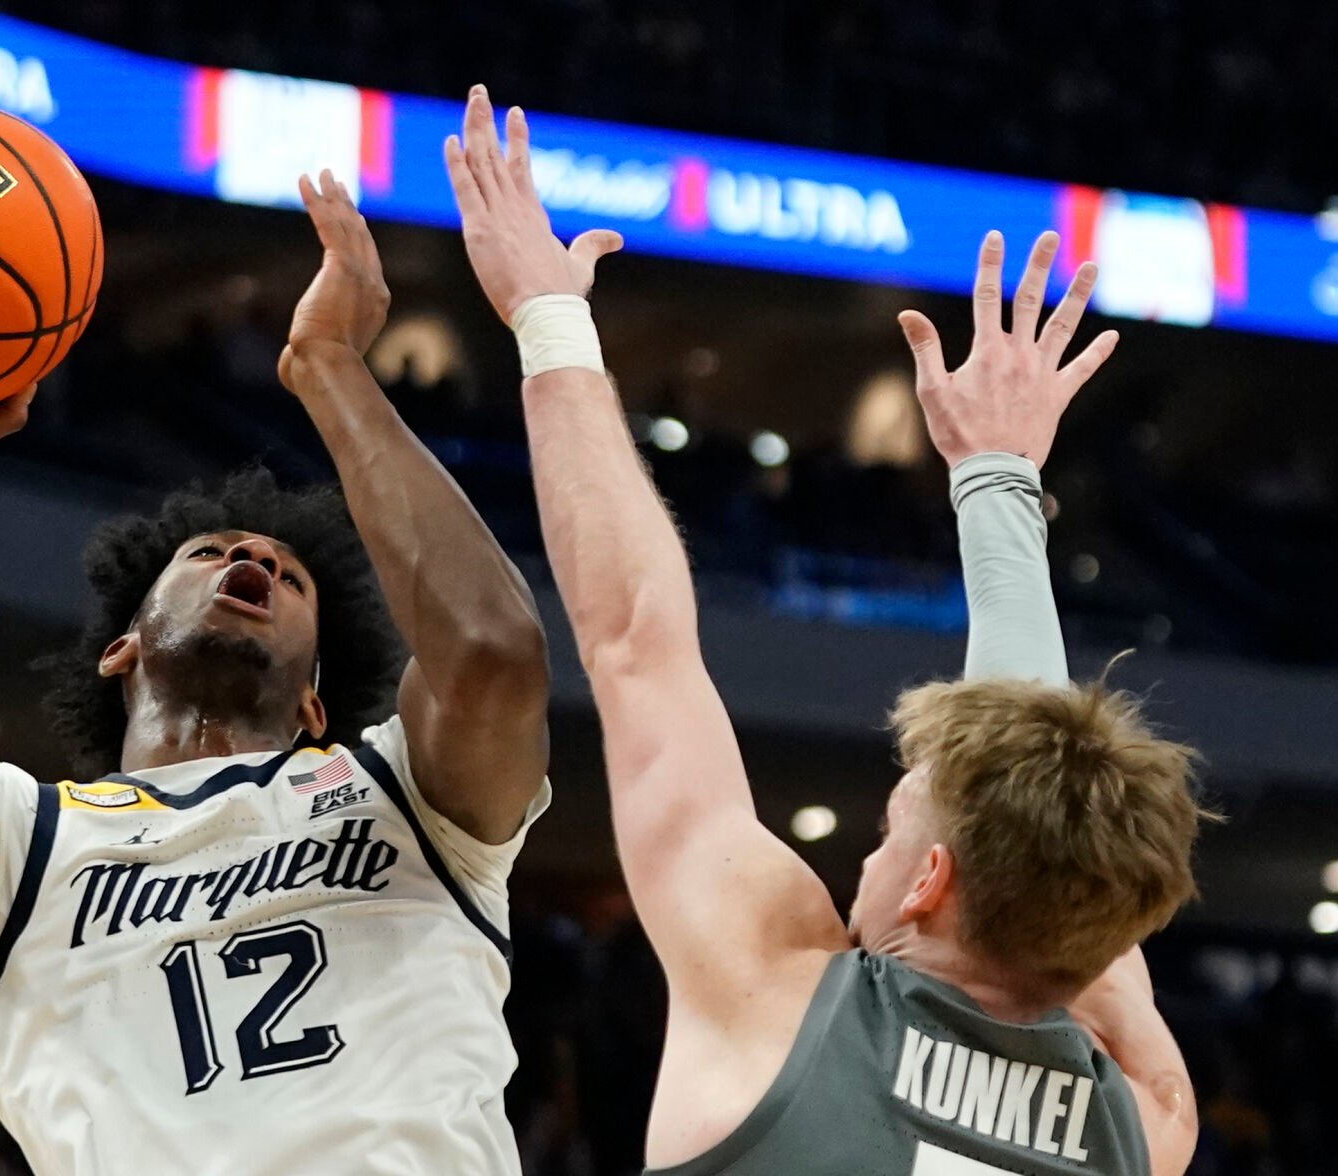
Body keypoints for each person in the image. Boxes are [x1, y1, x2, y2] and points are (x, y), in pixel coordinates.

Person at [444, 84, 1209, 1176]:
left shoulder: (769, 989)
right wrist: (996, 478)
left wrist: (545, 316)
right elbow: (1058, 860)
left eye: (894, 821)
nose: (873, 843)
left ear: (929, 881)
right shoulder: (1147, 1119)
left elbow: (634, 638)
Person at [0, 172, 551, 1175]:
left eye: (285, 576)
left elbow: (493, 657)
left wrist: (330, 370)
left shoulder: (403, 797)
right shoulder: (12, 852)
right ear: (123, 646)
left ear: (318, 703)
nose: (250, 564)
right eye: (209, 556)